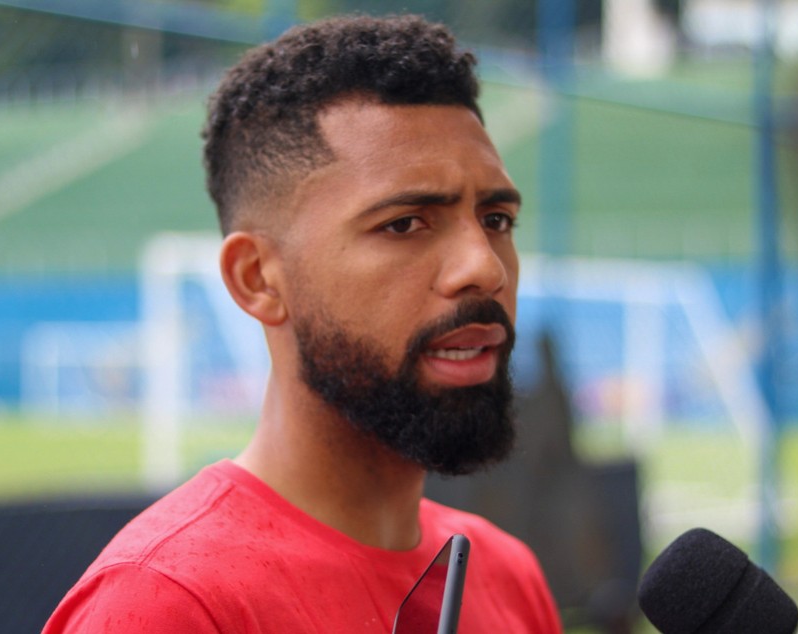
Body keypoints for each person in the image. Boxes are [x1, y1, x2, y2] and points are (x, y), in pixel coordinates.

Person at [43, 14, 562, 633]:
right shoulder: (168, 603)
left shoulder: (506, 576)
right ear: (257, 279)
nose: (484, 268)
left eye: (497, 220)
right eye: (404, 223)